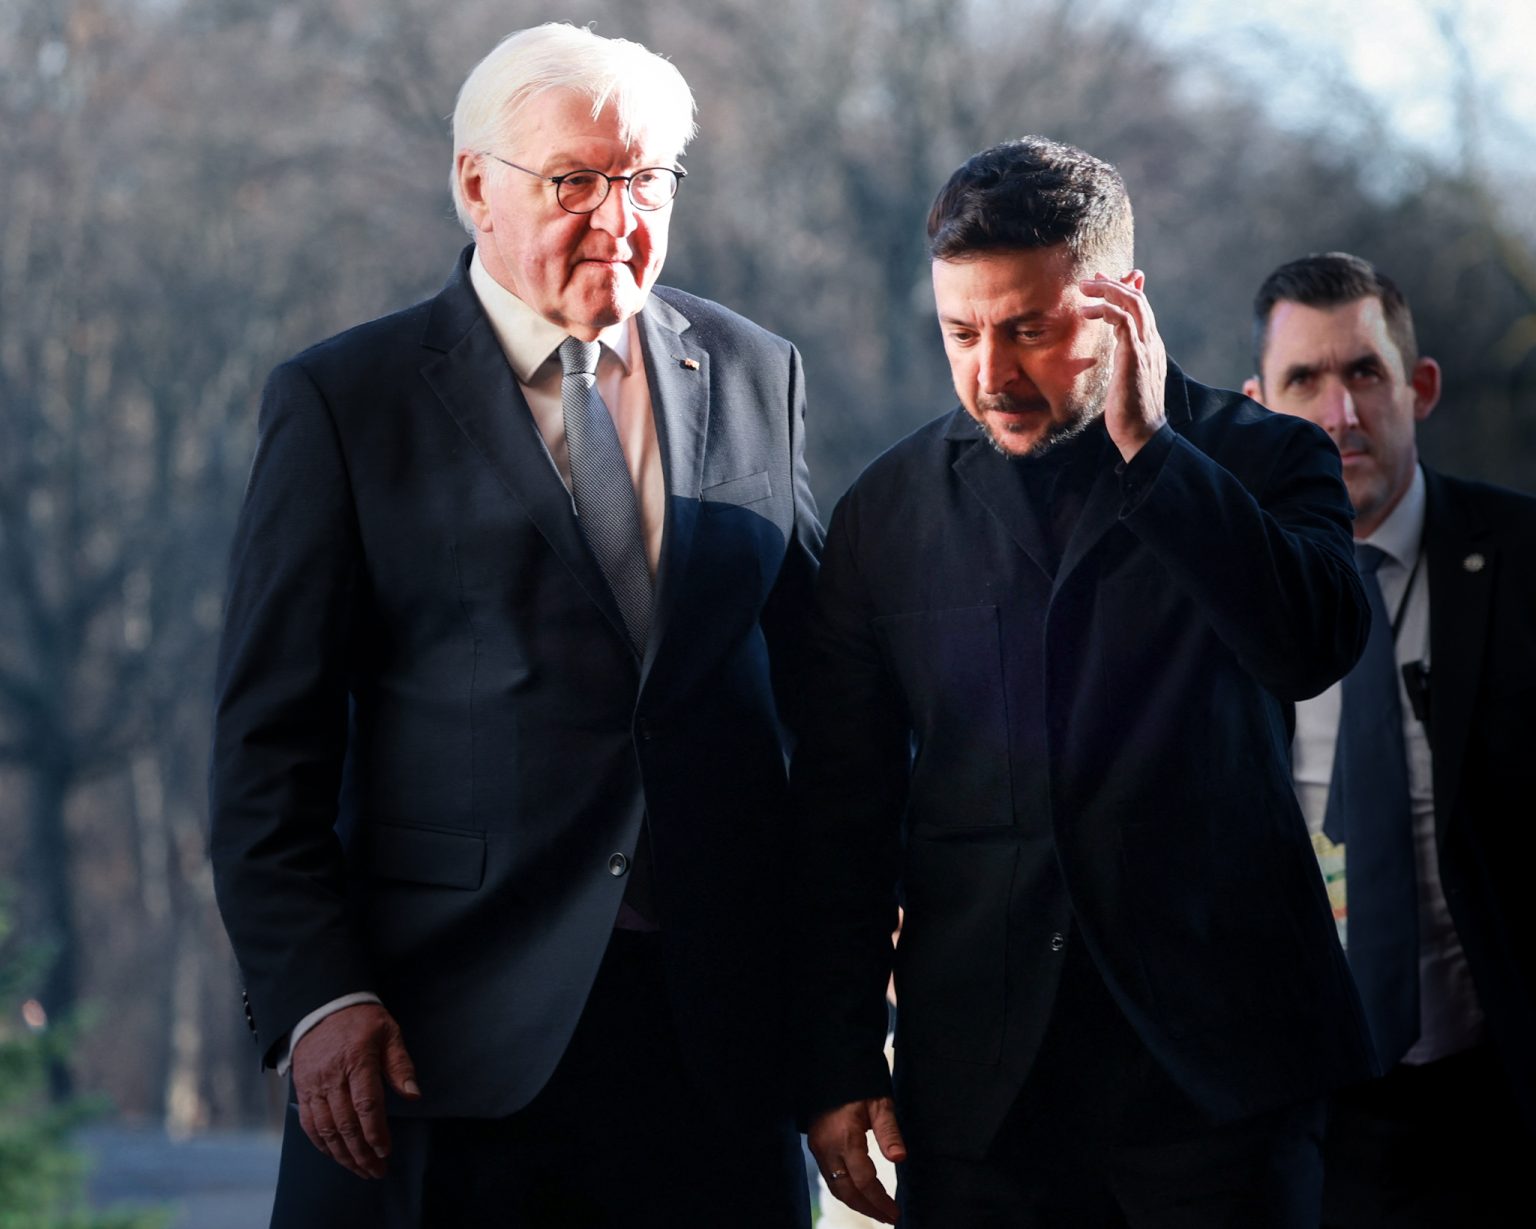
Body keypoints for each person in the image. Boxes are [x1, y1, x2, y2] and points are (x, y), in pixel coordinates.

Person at [208, 22, 820, 1228]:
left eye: (647, 181)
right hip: (439, 1039)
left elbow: (823, 689)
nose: (618, 219)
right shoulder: (347, 400)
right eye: (575, 182)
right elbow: (266, 745)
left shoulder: (756, 371)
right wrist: (317, 992)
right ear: (476, 185)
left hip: (713, 1043)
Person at [790, 136, 1378, 1228]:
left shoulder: (1267, 458)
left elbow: (1311, 645)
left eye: (1029, 330)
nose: (992, 374)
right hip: (980, 1102)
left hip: (1226, 1079)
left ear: (1123, 306)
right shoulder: (883, 514)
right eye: (961, 333)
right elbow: (841, 812)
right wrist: (837, 1059)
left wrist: (1155, 452)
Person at [1243, 251, 1536, 1228]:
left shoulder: (1522, 559)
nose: (1340, 414)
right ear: (1257, 406)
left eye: (1364, 372)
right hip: (1298, 1118)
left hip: (1498, 1104)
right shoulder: (1224, 595)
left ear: (1421, 386)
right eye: (1304, 380)